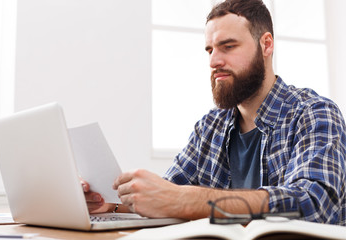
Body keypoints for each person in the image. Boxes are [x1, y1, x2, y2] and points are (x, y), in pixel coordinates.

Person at [82, 0, 346, 225]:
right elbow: (166, 196)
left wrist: (186, 200)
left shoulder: (314, 113)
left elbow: (314, 204)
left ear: (266, 46)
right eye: (210, 49)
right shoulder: (209, 127)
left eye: (228, 46)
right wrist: (113, 206)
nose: (213, 61)